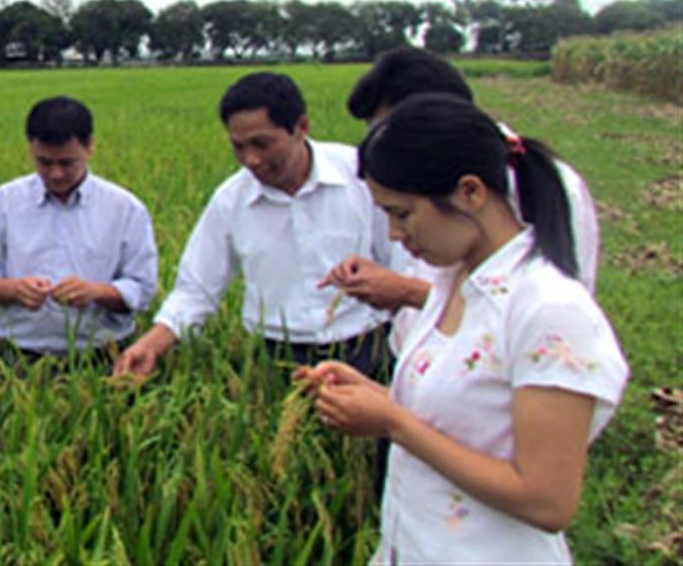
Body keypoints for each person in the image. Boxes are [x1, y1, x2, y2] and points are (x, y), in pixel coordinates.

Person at [300, 93, 627, 564]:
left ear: (470, 192)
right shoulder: (452, 282)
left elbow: (548, 501)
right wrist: (373, 397)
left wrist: (393, 423)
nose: (394, 235)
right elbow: (465, 416)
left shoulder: (550, 311)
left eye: (401, 213)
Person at [114, 72, 395, 379]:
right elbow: (197, 288)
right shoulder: (231, 200)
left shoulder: (361, 175)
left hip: (368, 345)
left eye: (262, 144)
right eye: (239, 146)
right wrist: (151, 346)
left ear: (301, 127)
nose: (251, 160)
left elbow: (403, 264)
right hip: (277, 357)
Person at [322, 47, 600, 319]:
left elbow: (547, 309)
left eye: (394, 131)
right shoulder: (414, 187)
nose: (382, 148)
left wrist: (407, 292)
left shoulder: (551, 189)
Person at [0, 96, 158, 359]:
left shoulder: (125, 209)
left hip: (103, 353)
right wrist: (15, 290)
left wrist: (95, 293)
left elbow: (143, 288)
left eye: (67, 163)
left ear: (90, 147)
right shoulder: (4, 202)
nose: (56, 174)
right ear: (30, 148)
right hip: (20, 352)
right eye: (44, 162)